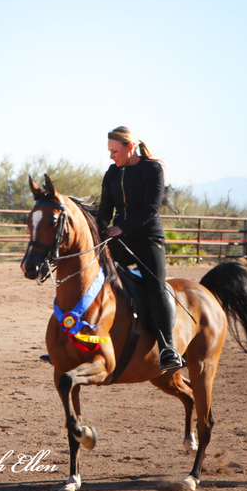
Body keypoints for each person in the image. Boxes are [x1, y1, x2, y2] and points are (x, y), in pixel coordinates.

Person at [96, 126, 183, 371]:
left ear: (129, 147)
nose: (111, 156)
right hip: (118, 238)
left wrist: (120, 228)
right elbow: (105, 210)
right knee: (92, 275)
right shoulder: (112, 173)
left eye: (114, 151)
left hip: (147, 238)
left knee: (155, 285)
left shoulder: (152, 169)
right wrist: (101, 226)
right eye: (109, 151)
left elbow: (150, 209)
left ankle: (168, 346)